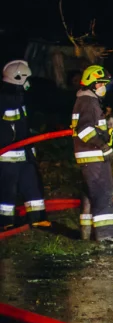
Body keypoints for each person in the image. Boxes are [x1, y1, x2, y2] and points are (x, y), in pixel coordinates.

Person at [0, 60, 48, 230]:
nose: (29, 83)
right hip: (8, 157)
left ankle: (37, 218)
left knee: (31, 186)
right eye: (26, 78)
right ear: (18, 78)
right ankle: (5, 222)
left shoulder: (19, 99)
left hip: (25, 154)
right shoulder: (4, 101)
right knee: (8, 190)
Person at [72, 65, 113, 242]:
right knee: (103, 194)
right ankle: (106, 238)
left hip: (88, 156)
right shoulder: (88, 102)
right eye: (101, 83)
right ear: (93, 84)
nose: (103, 87)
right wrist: (103, 146)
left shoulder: (86, 101)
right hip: (93, 155)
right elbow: (84, 130)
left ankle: (86, 234)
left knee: (90, 195)